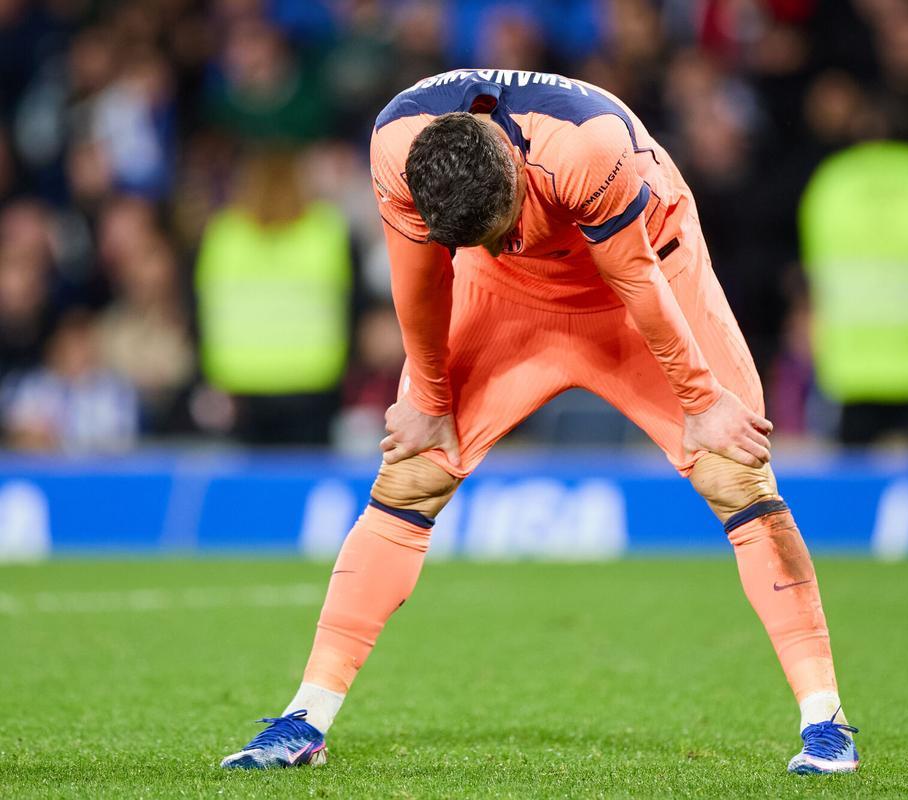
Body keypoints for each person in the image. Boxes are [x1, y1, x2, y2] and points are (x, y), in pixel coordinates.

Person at [219, 68, 858, 777]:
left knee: (736, 476)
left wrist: (703, 403)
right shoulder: (397, 145)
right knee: (412, 474)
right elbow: (420, 280)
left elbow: (640, 285)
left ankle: (826, 724)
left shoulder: (586, 146)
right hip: (503, 296)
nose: (507, 238)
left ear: (517, 173)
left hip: (639, 279)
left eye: (503, 227)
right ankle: (306, 717)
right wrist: (429, 400)